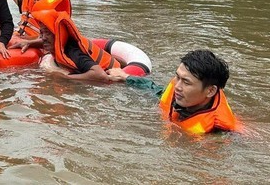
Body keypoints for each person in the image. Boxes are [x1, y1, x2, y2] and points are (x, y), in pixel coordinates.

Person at [107, 50, 240, 134]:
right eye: (177, 77)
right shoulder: (178, 89)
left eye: (186, 82)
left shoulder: (218, 132)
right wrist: (126, 77)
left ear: (210, 91)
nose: (177, 86)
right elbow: (155, 90)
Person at [31, 9, 121, 83]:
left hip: (113, 74)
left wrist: (65, 77)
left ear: (58, 34)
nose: (43, 38)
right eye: (41, 33)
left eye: (47, 32)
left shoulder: (73, 52)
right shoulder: (61, 44)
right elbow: (47, 42)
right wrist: (28, 43)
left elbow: (101, 75)